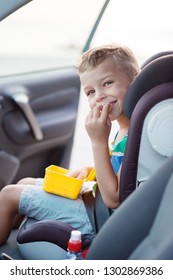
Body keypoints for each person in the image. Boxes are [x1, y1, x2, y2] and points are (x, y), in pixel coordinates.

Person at [0, 44, 140, 245]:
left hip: (101, 217)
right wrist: (90, 169)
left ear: (135, 81)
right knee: (23, 184)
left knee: (7, 195)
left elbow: (114, 198)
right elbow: (124, 171)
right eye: (90, 92)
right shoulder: (128, 127)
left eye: (108, 83)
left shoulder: (135, 133)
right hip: (97, 202)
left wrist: (98, 140)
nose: (99, 95)